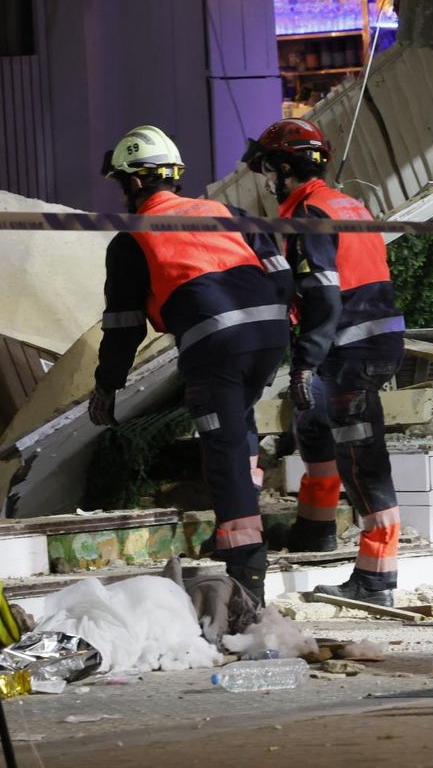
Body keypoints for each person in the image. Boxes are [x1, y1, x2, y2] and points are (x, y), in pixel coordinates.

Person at [89, 125, 291, 604]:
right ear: (174, 176)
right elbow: (281, 278)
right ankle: (233, 530)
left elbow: (123, 327)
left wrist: (106, 385)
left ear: (134, 183)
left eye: (121, 184)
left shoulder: (132, 238)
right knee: (237, 426)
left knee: (221, 453)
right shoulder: (228, 213)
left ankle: (246, 576)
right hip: (269, 334)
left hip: (215, 345)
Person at [242, 118, 405, 607]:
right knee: (313, 425)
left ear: (286, 167)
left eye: (269, 168)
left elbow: (323, 295)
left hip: (349, 348)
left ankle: (376, 581)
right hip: (365, 341)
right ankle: (315, 530)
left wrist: (306, 362)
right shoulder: (344, 203)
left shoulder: (310, 213)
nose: (267, 180)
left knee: (361, 459)